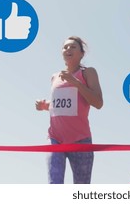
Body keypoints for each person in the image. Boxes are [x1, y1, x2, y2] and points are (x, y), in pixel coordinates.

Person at [35, 36, 103, 184]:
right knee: (55, 184)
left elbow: (98, 103)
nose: (68, 49)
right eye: (65, 47)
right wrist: (44, 105)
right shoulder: (55, 77)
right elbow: (62, 104)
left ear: (82, 53)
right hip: (55, 139)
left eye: (73, 47)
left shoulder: (88, 72)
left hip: (81, 140)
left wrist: (76, 82)